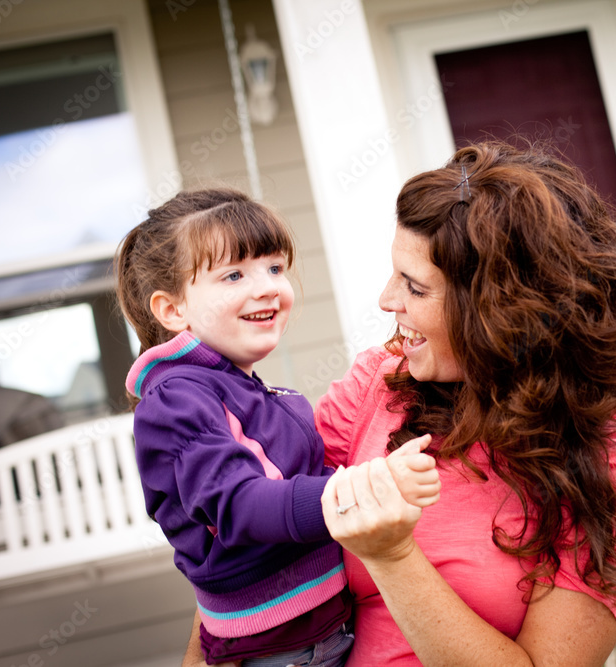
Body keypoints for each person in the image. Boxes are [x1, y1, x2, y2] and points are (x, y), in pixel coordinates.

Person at [183, 140, 616, 666]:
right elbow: (248, 550)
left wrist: (393, 555)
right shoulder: (378, 386)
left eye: (415, 288)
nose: (386, 300)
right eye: (395, 274)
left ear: (500, 311)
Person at [115, 188, 440, 666]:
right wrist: (364, 488)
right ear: (172, 310)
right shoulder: (176, 400)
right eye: (233, 275)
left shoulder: (234, 387)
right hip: (282, 649)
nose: (266, 286)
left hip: (317, 634)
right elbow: (239, 504)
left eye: (274, 268)